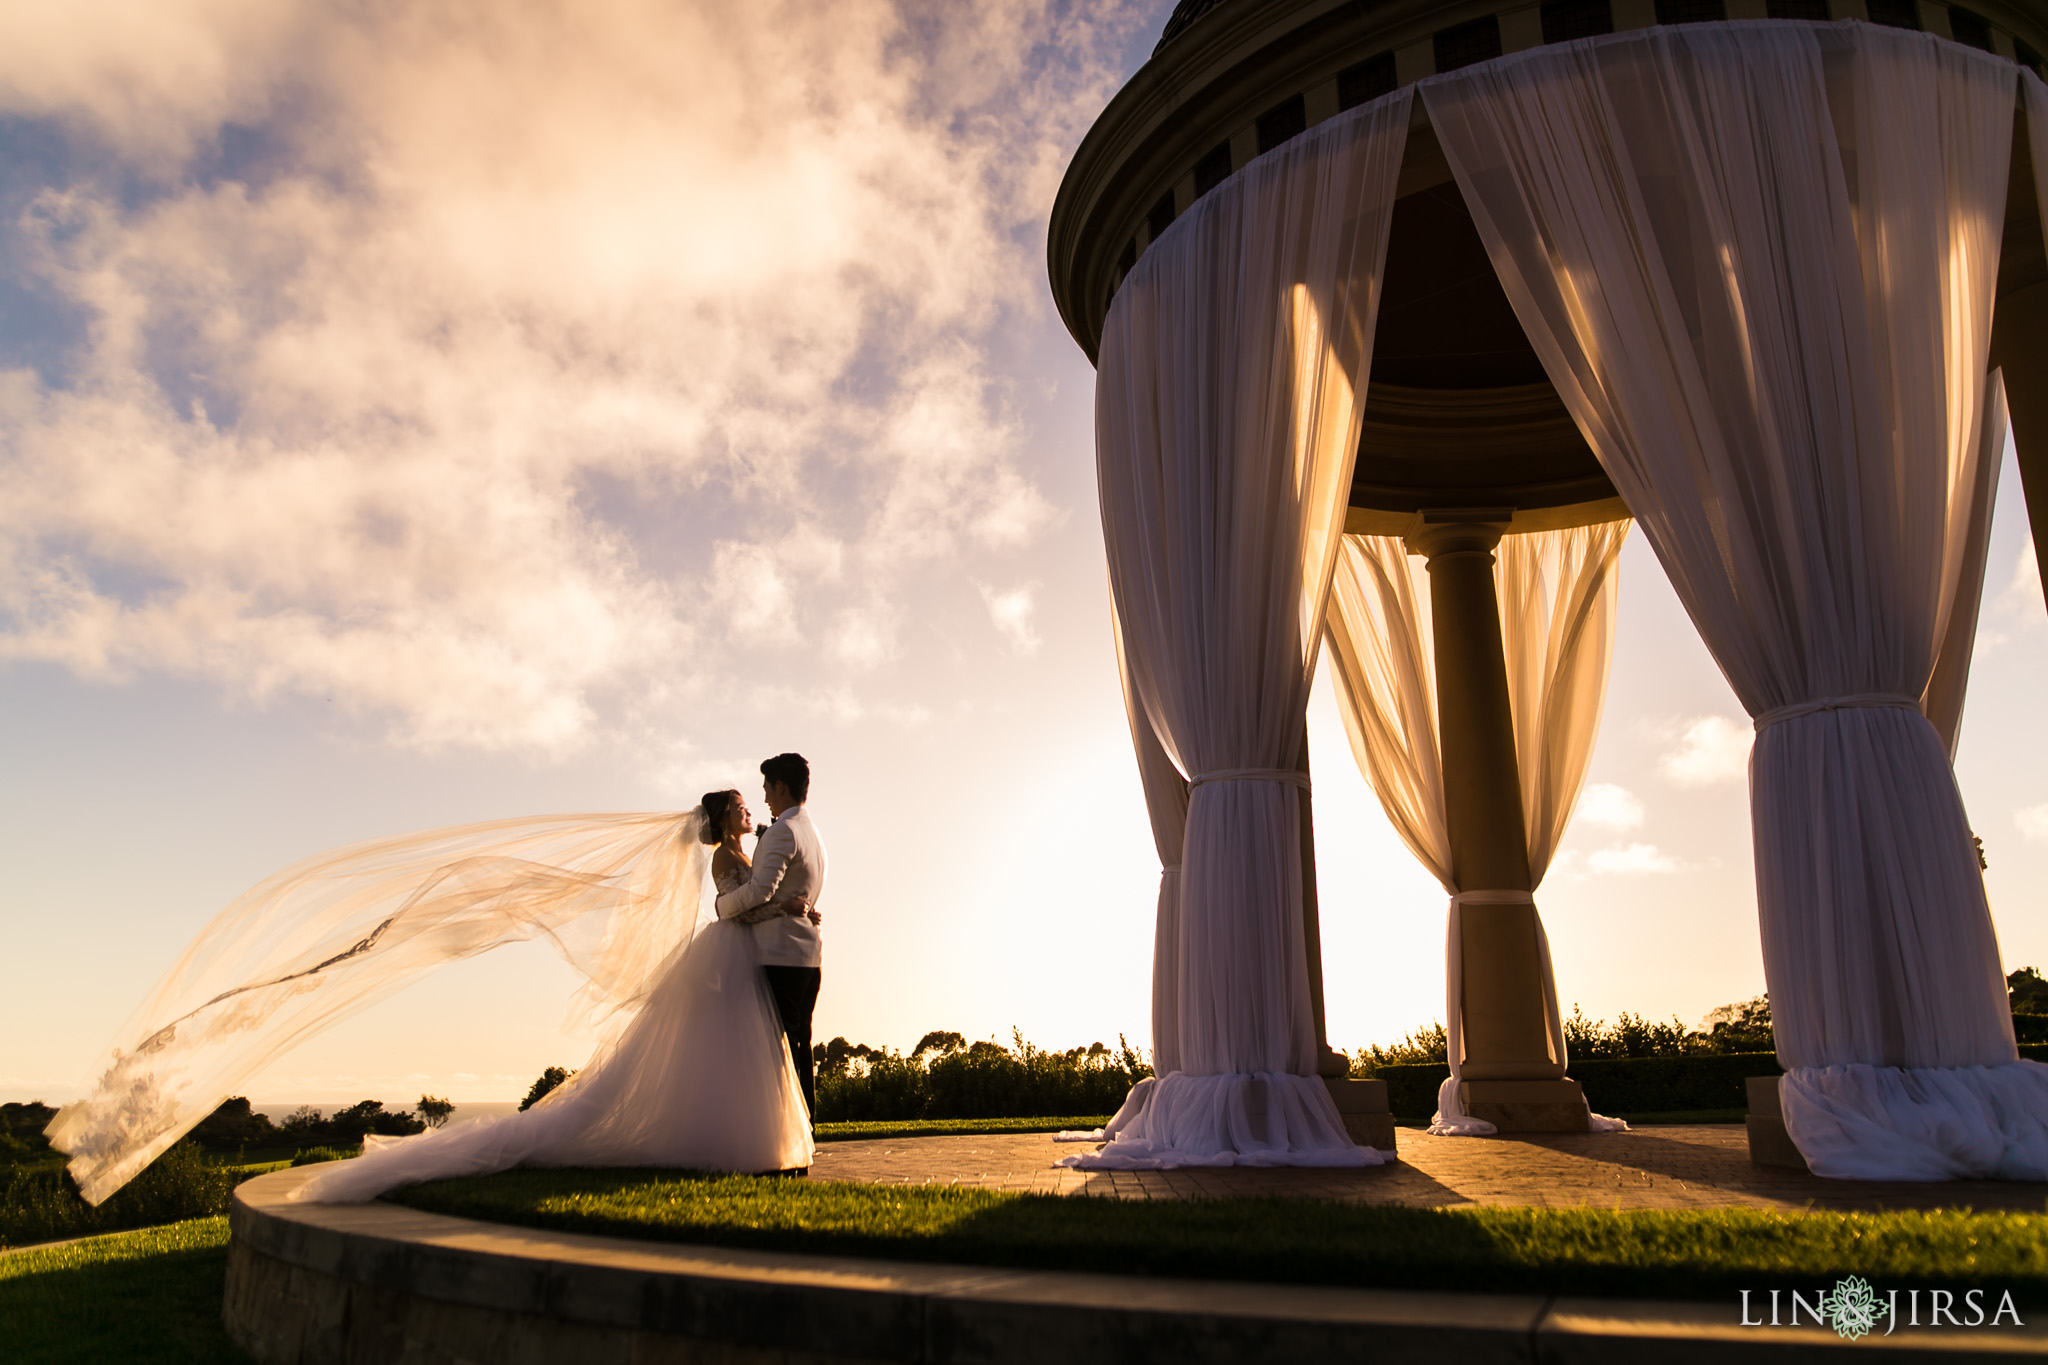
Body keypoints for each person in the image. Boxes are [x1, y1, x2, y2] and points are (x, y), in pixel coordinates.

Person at [43, 779, 825, 1208]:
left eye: (753, 804)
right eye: (743, 807)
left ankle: (743, 1139)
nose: (752, 812)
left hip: (737, 953)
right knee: (728, 1054)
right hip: (729, 947)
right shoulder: (730, 856)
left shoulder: (746, 847)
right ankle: (738, 1140)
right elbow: (734, 896)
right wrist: (769, 900)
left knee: (736, 1054)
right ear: (728, 815)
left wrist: (785, 899)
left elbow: (759, 886)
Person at [714, 753, 827, 1127]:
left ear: (780, 786)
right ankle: (805, 1126)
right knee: (799, 1045)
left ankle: (785, 1130)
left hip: (780, 954)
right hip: (809, 955)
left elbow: (761, 890)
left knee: (776, 1049)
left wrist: (723, 905)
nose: (764, 798)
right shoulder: (812, 833)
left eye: (766, 788)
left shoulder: (783, 831)